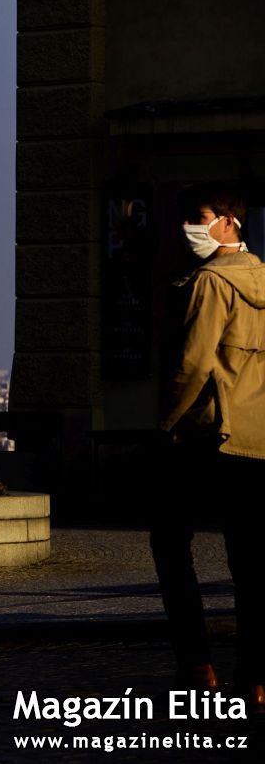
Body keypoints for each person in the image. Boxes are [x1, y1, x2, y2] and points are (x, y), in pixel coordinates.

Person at [151, 182, 265, 711]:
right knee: (252, 563)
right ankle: (256, 678)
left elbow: (193, 366)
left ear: (229, 221)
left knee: (171, 545)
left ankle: (198, 667)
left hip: (206, 436)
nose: (187, 229)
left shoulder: (209, 284)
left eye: (198, 218)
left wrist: (166, 424)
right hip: (258, 441)